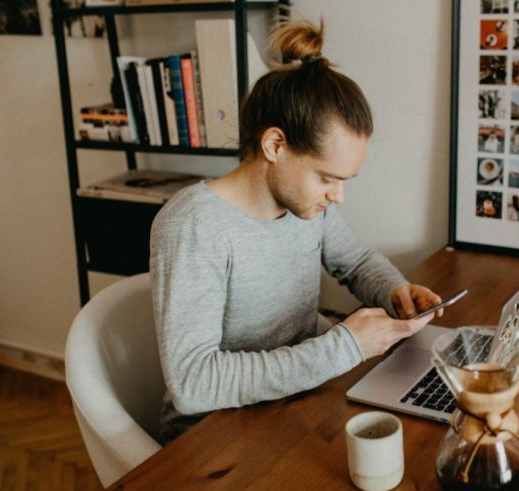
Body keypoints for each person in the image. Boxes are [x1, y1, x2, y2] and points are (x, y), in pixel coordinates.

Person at [150, 20, 443, 443]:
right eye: (327, 178)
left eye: (345, 181)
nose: (337, 196)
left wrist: (395, 292)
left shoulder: (307, 206)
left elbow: (357, 262)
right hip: (214, 437)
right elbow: (193, 383)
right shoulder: (193, 226)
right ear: (274, 146)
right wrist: (344, 348)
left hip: (296, 402)